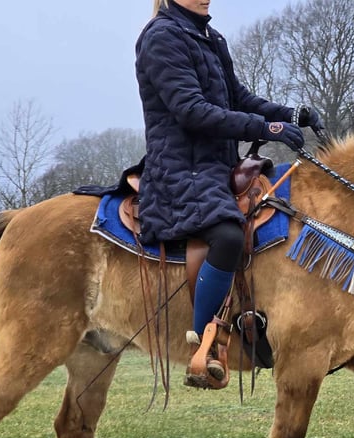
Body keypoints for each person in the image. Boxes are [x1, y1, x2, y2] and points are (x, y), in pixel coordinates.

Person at [136, 0, 323, 386]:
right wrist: (265, 130)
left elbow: (237, 99)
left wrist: (288, 115)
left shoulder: (209, 36)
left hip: (218, 167)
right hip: (180, 169)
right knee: (227, 235)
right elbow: (191, 110)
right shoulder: (161, 37)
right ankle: (205, 344)